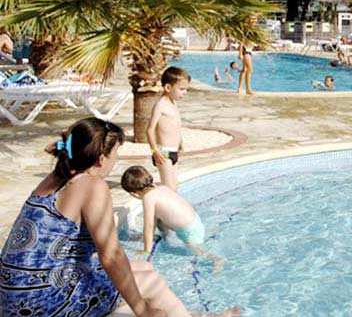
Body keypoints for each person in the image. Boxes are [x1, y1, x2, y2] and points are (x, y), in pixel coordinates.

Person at [0, 118, 239, 316]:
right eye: (116, 154)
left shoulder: (55, 177)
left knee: (144, 267)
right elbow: (111, 256)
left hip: (13, 293)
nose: (116, 161)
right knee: (152, 283)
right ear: (101, 159)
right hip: (40, 303)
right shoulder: (91, 185)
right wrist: (143, 310)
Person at [121, 166, 223, 271]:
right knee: (158, 217)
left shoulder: (148, 198)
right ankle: (165, 235)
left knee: (198, 251)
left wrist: (146, 250)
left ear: (133, 193)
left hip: (188, 230)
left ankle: (216, 259)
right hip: (193, 220)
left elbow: (149, 225)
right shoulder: (161, 188)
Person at [147, 67, 189, 191]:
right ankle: (152, 199)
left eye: (186, 89)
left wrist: (180, 142)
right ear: (168, 88)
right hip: (163, 153)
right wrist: (154, 150)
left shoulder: (173, 103)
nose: (185, 92)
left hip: (174, 151)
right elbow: (149, 130)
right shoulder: (160, 105)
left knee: (174, 187)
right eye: (181, 89)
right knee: (169, 188)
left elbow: (175, 125)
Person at [237, 15, 257, 95]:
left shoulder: (255, 29)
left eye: (254, 18)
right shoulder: (246, 29)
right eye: (251, 18)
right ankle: (248, 89)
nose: (253, 20)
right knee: (250, 69)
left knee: (244, 70)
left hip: (250, 50)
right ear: (248, 19)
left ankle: (239, 88)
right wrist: (240, 53)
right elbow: (241, 41)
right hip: (246, 50)